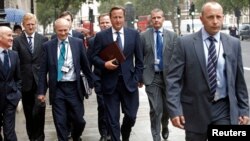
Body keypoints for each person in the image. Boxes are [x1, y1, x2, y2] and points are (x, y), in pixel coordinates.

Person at [166, 2, 249, 141]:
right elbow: (173, 80)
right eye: (210, 17)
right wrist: (175, 111)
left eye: (218, 17)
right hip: (194, 111)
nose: (215, 21)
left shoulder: (233, 43)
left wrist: (244, 109)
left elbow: (239, 80)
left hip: (224, 109)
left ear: (222, 18)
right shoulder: (185, 43)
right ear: (201, 18)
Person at [91, 6, 143, 141]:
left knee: (131, 116)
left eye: (120, 17)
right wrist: (104, 64)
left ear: (124, 18)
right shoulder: (102, 36)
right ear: (111, 18)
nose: (117, 20)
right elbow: (93, 57)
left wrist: (137, 77)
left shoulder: (134, 34)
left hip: (129, 83)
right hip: (109, 84)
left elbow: (139, 60)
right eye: (115, 17)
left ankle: (125, 135)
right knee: (112, 119)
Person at [36, 18, 94, 141]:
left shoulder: (77, 43)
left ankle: (76, 136)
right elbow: (42, 71)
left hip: (74, 88)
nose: (63, 33)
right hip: (57, 89)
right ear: (55, 29)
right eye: (60, 30)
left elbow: (85, 65)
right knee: (60, 122)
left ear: (69, 28)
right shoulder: (48, 46)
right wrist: (41, 91)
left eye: (65, 30)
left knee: (79, 120)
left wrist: (93, 83)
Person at [140, 8, 177, 141]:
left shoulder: (172, 36)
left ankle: (165, 125)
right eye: (154, 18)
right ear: (151, 19)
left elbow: (177, 58)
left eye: (159, 17)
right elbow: (139, 58)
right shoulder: (143, 36)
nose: (156, 20)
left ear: (163, 19)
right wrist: (139, 77)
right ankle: (156, 138)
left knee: (167, 109)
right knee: (156, 109)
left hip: (168, 78)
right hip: (152, 77)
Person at [12, 13, 49, 141]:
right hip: (25, 83)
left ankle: (40, 138)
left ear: (36, 24)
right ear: (23, 25)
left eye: (33, 24)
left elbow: (46, 61)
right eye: (28, 24)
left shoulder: (43, 39)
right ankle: (32, 138)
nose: (31, 26)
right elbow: (16, 62)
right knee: (29, 114)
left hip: (40, 82)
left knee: (39, 112)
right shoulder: (17, 41)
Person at [87, 13, 112, 141]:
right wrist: (91, 79)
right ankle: (103, 133)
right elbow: (88, 62)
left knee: (112, 107)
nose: (105, 25)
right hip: (100, 79)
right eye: (102, 22)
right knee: (102, 106)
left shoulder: (118, 38)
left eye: (107, 22)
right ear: (99, 24)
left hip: (115, 80)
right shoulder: (92, 41)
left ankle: (112, 131)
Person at [0, 26, 22, 141]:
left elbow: (18, 78)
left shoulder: (14, 55)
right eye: (9, 35)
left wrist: (17, 94)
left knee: (10, 132)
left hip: (10, 100)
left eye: (12, 35)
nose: (12, 38)